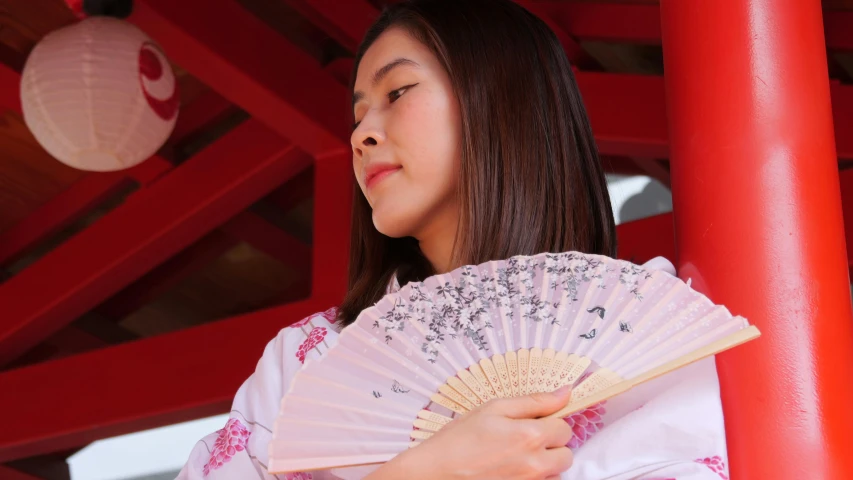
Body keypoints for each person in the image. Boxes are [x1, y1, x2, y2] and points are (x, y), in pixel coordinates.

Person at [176, 0, 729, 478]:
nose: (362, 133)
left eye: (397, 91)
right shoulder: (305, 363)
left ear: (501, 102)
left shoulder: (653, 328)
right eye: (359, 113)